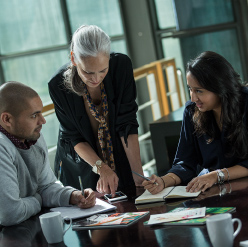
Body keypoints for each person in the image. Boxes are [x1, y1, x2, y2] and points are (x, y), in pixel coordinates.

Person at [48, 25, 144, 196]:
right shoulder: (58, 85)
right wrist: (101, 168)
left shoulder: (121, 66)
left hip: (117, 152)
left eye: (103, 70)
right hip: (81, 162)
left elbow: (127, 123)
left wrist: (138, 175)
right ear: (73, 59)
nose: (96, 78)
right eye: (88, 72)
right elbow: (74, 137)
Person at [143, 51, 248, 194]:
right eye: (190, 89)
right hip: (217, 193)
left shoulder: (246, 102)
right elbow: (186, 162)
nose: (193, 98)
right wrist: (164, 181)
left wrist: (217, 175)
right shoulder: (192, 111)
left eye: (199, 91)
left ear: (220, 86)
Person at [0, 81, 96, 226]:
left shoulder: (33, 136)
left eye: (41, 112)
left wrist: (72, 196)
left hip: (27, 226)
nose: (43, 121)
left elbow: (45, 186)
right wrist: (38, 199)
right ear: (7, 119)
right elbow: (11, 213)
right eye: (34, 115)